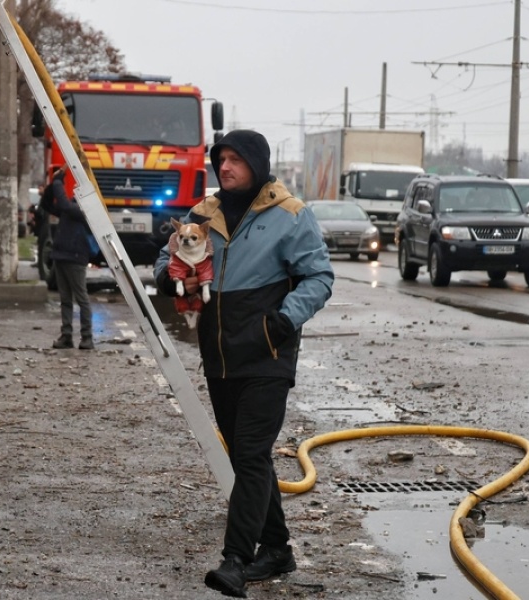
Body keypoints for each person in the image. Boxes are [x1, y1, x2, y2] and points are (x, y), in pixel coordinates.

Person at [154, 130, 334, 597]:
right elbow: (165, 257)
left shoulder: (290, 215)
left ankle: (235, 560)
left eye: (235, 159)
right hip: (219, 357)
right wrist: (169, 279)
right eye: (221, 158)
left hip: (268, 355)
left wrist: (281, 323)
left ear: (257, 163)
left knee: (251, 454)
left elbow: (319, 278)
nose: (225, 166)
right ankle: (277, 549)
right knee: (244, 455)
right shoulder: (203, 213)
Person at [42, 167, 94, 350]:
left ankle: (87, 337)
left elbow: (63, 205)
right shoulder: (70, 208)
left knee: (81, 298)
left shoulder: (85, 210)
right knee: (65, 299)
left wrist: (58, 182)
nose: (76, 192)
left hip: (75, 257)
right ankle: (67, 336)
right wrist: (53, 185)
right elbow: (47, 204)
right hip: (61, 256)